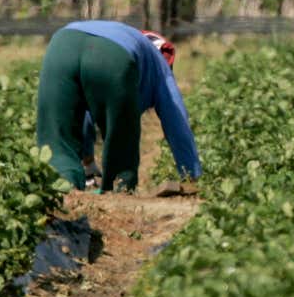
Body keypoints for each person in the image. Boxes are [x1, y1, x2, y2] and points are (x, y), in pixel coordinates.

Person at [35, 20, 201, 194]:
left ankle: (61, 186)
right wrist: (190, 173)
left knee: (57, 132)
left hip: (61, 44)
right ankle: (119, 187)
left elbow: (83, 115)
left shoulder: (130, 38)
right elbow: (176, 119)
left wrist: (88, 162)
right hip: (110, 54)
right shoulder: (160, 65)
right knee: (122, 129)